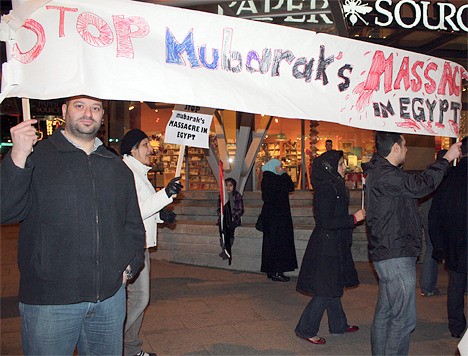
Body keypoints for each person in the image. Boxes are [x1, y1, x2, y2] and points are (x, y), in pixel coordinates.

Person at [0, 95, 146, 355]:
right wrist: (18, 154)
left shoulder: (116, 166)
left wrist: (130, 265)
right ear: (65, 111)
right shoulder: (37, 157)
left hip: (109, 301)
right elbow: (5, 209)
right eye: (80, 106)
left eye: (95, 108)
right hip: (49, 303)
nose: (88, 113)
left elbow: (133, 224)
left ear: (103, 115)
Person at [363, 131, 461, 355]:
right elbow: (420, 185)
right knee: (404, 320)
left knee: (386, 313)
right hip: (395, 254)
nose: (407, 149)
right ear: (395, 148)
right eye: (404, 145)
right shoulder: (385, 175)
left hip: (389, 252)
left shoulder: (382, 173)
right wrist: (446, 159)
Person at [120, 129, 183, 356]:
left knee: (138, 299)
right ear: (133, 149)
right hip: (130, 246)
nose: (151, 149)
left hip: (140, 244)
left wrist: (160, 215)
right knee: (138, 299)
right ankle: (113, 342)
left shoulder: (139, 173)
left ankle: (129, 348)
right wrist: (166, 194)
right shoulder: (127, 172)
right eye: (146, 144)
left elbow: (145, 206)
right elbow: (135, 210)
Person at [295, 150, 365, 345]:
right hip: (326, 245)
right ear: (330, 167)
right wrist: (353, 218)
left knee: (333, 285)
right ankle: (305, 329)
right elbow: (325, 221)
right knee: (326, 290)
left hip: (334, 242)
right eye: (341, 164)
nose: (344, 167)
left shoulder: (334, 185)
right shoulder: (326, 189)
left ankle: (338, 324)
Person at [429, 136, 467, 339]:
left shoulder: (449, 177)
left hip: (455, 242)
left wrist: (439, 245)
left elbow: (436, 214)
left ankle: (457, 326)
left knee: (456, 286)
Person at [260, 158, 297, 282]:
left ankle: (271, 270)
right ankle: (278, 271)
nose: (280, 168)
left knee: (271, 244)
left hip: (271, 217)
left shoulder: (266, 179)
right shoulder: (276, 179)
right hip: (279, 218)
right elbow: (291, 186)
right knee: (279, 244)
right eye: (279, 166)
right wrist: (284, 174)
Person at [418, 149, 447, 297]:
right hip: (437, 217)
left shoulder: (429, 172)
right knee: (432, 250)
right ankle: (428, 286)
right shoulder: (445, 174)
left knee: (430, 249)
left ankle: (427, 286)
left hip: (426, 214)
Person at [217, 177, 244, 263]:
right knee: (222, 231)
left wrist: (233, 217)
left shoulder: (237, 195)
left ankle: (227, 249)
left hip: (233, 219)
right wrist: (222, 216)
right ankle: (224, 248)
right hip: (224, 219)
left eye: (230, 185)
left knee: (229, 229)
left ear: (234, 186)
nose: (228, 188)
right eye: (226, 185)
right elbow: (219, 208)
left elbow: (240, 209)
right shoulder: (221, 196)